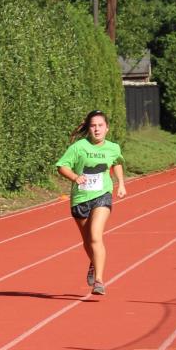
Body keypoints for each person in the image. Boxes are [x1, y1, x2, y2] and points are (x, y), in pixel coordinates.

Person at [56, 111, 126, 296]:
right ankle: (94, 262)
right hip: (80, 199)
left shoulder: (113, 148)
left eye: (100, 125)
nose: (97, 129)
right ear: (88, 128)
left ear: (107, 128)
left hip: (102, 195)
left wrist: (121, 183)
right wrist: (74, 177)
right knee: (88, 241)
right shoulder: (78, 147)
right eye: (93, 126)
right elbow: (62, 166)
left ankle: (99, 281)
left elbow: (117, 163)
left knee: (95, 235)